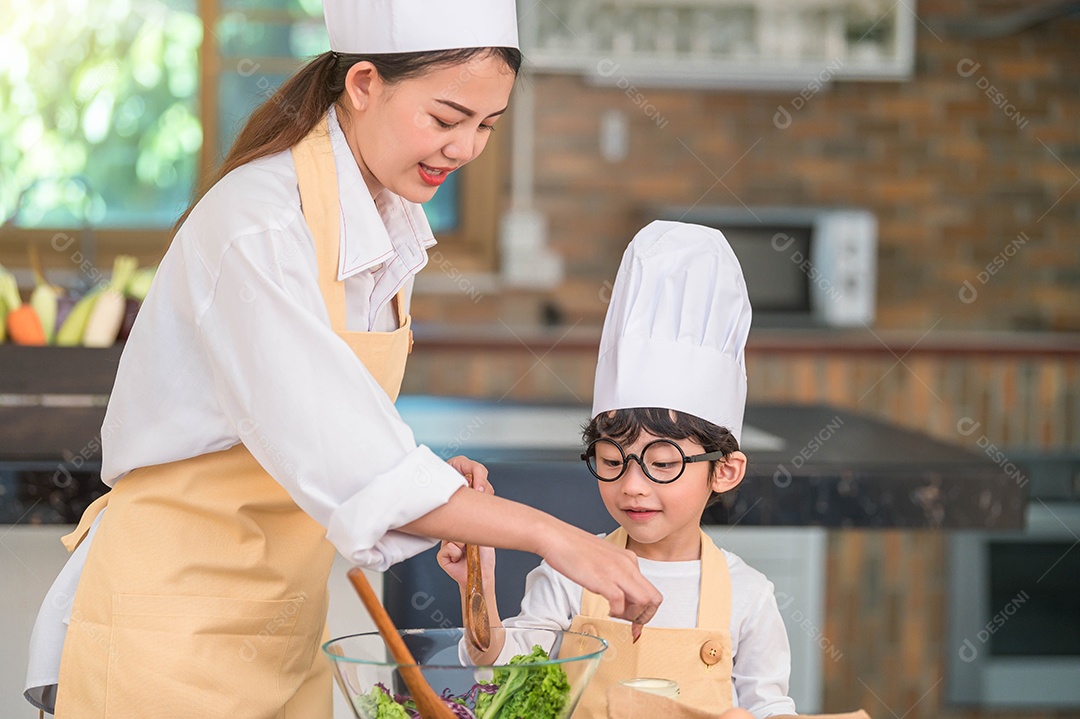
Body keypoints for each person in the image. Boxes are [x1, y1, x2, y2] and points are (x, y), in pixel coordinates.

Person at [23, 2, 661, 716]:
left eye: (487, 125)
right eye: (447, 119)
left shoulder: (385, 226)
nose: (466, 148)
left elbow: (332, 439)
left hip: (284, 632)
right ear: (363, 83)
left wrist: (439, 500)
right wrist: (555, 537)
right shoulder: (257, 225)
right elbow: (347, 454)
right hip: (169, 635)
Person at [439, 221, 799, 718]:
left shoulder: (749, 597)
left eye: (663, 464)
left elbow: (770, 708)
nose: (632, 486)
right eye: (612, 461)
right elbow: (505, 679)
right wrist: (477, 579)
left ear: (725, 471)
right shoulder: (566, 575)